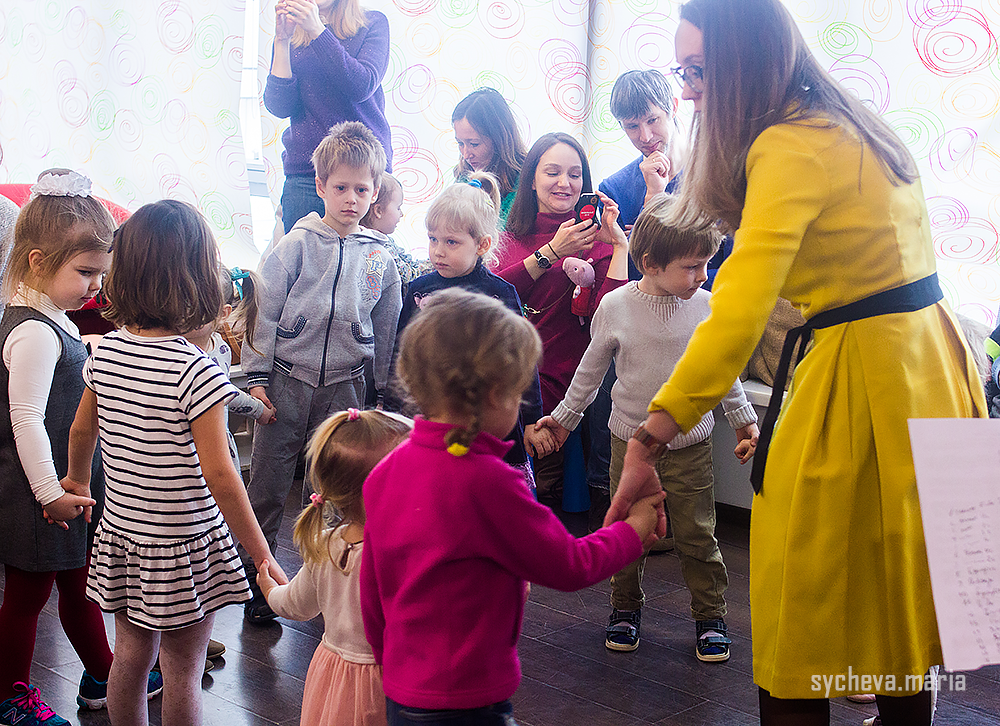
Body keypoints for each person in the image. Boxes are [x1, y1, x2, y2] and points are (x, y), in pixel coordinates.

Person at [606, 1, 987, 724]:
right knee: (906, 600)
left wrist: (650, 437)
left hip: (865, 374)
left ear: (744, 63)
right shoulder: (850, 122)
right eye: (680, 72)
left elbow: (736, 310)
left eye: (697, 71)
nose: (686, 91)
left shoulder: (787, 144)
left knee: (796, 605)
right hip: (934, 366)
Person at [360, 288, 662, 726]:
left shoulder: (388, 469)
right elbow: (568, 565)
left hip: (404, 689)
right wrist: (634, 530)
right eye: (519, 396)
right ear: (494, 395)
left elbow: (373, 590)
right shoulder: (490, 481)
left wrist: (391, 667)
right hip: (466, 697)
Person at [63, 199, 288, 726]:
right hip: (185, 542)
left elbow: (81, 430)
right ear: (198, 278)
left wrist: (75, 480)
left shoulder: (107, 353)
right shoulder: (196, 370)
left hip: (124, 536)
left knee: (130, 660)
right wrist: (260, 556)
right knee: (184, 670)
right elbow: (221, 475)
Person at [531, 195, 759, 657]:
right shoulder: (616, 306)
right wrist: (562, 422)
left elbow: (720, 371)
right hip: (627, 442)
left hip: (690, 446)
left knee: (698, 533)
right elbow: (589, 374)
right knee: (628, 530)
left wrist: (743, 421)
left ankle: (710, 614)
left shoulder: (706, 307)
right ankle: (624, 608)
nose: (702, 277)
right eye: (693, 267)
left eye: (707, 265)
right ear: (651, 263)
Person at [0, 170, 162, 725]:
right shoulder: (36, 332)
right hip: (37, 491)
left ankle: (102, 670)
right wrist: (49, 490)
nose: (97, 286)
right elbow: (25, 418)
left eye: (101, 272)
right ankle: (10, 700)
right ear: (39, 261)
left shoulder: (53, 319)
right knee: (27, 597)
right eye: (87, 272)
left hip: (64, 485)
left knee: (78, 581)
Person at [241, 120, 402, 624]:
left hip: (348, 386)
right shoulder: (295, 246)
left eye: (362, 189)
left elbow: (388, 320)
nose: (351, 198)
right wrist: (256, 377)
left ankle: (333, 582)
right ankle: (258, 581)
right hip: (286, 381)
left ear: (375, 191)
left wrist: (382, 389)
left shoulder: (379, 256)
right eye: (341, 188)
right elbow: (262, 311)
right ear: (320, 187)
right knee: (267, 485)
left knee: (339, 486)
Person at [495, 133, 630, 503]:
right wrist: (552, 252)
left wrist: (619, 246)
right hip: (512, 374)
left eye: (574, 174)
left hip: (570, 380)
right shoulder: (509, 236)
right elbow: (489, 297)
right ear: (532, 178)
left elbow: (610, 318)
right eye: (552, 172)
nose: (564, 183)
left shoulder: (597, 239)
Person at [257, 408, 411, 726]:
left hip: (332, 676)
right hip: (386, 682)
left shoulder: (325, 545)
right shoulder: (399, 551)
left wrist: (269, 589)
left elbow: (295, 606)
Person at [391, 173, 544, 488]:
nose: (438, 251)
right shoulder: (419, 289)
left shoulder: (499, 294)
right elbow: (402, 350)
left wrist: (531, 419)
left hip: (489, 412)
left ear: (482, 245)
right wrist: (392, 405)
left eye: (451, 242)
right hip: (434, 411)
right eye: (433, 239)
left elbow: (521, 361)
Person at [266, 0, 391, 232]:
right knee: (304, 262)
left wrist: (317, 31)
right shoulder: (293, 35)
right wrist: (281, 40)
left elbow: (361, 85)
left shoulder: (372, 23)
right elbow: (279, 106)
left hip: (364, 169)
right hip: (308, 173)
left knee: (366, 262)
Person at [452, 88, 527, 227]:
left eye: (474, 144)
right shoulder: (463, 176)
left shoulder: (525, 180)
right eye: (460, 143)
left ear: (499, 139)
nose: (466, 154)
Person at [360, 173, 432, 297]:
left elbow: (407, 262)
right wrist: (432, 265)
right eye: (398, 208)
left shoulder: (386, 240)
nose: (402, 214)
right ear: (378, 211)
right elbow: (407, 275)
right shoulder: (379, 247)